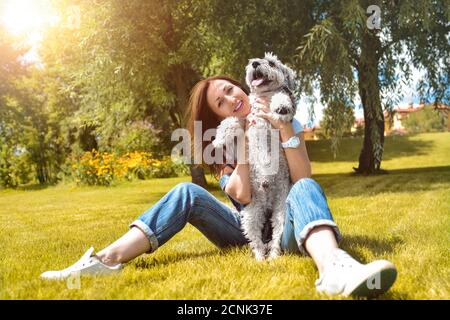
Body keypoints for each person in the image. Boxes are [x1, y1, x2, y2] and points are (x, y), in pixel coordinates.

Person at [41, 75, 397, 297]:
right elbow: (242, 195)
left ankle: (334, 267)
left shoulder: (286, 119)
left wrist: (284, 128)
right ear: (219, 117)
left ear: (242, 85)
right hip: (247, 230)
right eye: (221, 103)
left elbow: (303, 179)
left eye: (230, 90)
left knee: (304, 190)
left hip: (289, 227)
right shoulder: (224, 149)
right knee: (186, 193)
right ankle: (106, 259)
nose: (231, 99)